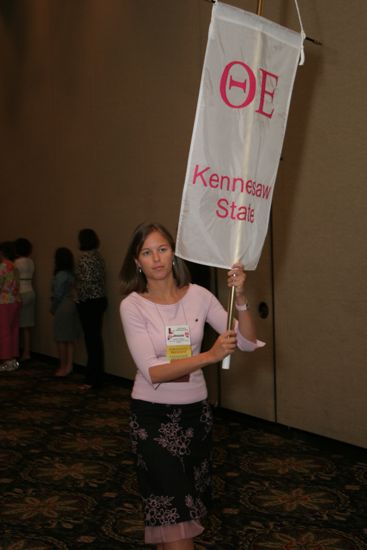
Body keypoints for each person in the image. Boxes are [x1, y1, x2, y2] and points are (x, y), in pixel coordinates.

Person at [119, 222, 265, 550]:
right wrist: (209, 356)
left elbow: (246, 341)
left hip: (195, 419)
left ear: (174, 254)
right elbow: (153, 371)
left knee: (174, 521)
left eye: (162, 249)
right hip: (153, 422)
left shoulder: (199, 296)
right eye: (146, 252)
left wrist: (240, 298)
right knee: (177, 518)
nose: (156, 258)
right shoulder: (132, 305)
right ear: (136, 262)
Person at [75, 228, 107, 390]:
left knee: (91, 341)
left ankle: (91, 379)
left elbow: (85, 285)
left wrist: (78, 300)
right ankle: (97, 376)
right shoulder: (98, 256)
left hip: (89, 303)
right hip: (100, 300)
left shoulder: (85, 258)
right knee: (96, 340)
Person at [50, 247, 80, 377]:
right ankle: (69, 366)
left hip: (63, 306)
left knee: (61, 338)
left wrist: (53, 308)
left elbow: (57, 295)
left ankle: (62, 367)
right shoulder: (71, 274)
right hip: (72, 304)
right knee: (70, 338)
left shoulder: (60, 275)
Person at [0, 241, 21, 372]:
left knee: (4, 331)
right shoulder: (14, 266)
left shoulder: (2, 266)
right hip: (16, 300)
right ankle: (13, 360)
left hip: (3, 301)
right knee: (13, 330)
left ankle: (6, 360)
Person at [14, 238, 35, 362]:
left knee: (16, 324)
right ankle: (27, 352)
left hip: (20, 292)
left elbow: (14, 279)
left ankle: (15, 351)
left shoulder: (16, 263)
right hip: (31, 291)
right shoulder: (31, 262)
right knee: (27, 325)